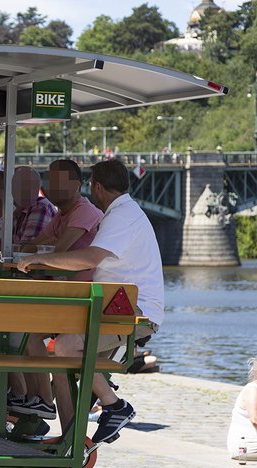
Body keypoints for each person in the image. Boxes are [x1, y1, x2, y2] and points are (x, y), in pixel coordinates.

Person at [18, 158, 163, 444]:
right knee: (62, 354)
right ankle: (71, 435)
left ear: (97, 187)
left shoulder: (122, 216)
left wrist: (38, 258)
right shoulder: (123, 213)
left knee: (65, 345)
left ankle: (115, 405)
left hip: (135, 313)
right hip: (113, 308)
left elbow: (89, 257)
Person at [24, 159, 103, 280]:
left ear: (76, 185)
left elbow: (58, 250)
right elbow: (28, 249)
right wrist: (46, 245)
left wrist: (44, 248)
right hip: (68, 287)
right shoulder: (61, 215)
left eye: (59, 182)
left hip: (89, 290)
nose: (52, 187)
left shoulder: (85, 211)